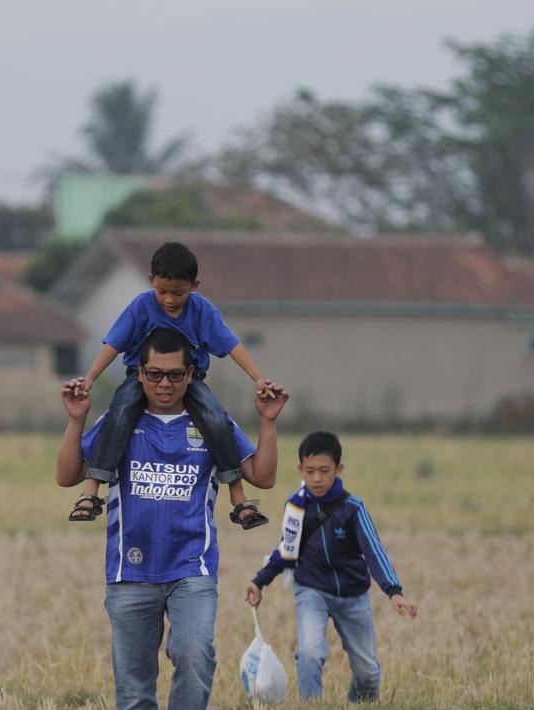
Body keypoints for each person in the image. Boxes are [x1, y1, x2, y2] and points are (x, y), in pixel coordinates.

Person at [56, 328, 289, 710]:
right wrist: (76, 420)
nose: (164, 384)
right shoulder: (119, 421)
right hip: (129, 573)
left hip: (192, 569)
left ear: (191, 374)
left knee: (196, 657)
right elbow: (68, 476)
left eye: (175, 374)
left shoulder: (214, 423)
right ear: (140, 373)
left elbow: (261, 477)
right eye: (155, 374)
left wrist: (267, 422)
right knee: (134, 690)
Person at [66, 241, 273, 530]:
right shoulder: (141, 306)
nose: (170, 300)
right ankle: (91, 490)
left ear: (194, 286)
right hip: (139, 378)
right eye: (162, 291)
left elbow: (231, 345)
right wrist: (89, 379)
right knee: (119, 413)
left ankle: (238, 497)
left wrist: (258, 378)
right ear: (151, 280)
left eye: (178, 293)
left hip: (190, 381)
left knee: (216, 420)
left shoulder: (203, 311)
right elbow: (114, 344)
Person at [245, 431, 417, 703]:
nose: (316, 478)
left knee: (368, 672)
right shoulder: (296, 506)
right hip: (311, 590)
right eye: (309, 471)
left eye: (324, 471)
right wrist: (259, 581)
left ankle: (360, 704)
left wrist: (393, 591)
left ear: (338, 469)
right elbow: (287, 551)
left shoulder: (353, 508)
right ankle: (311, 705)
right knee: (309, 653)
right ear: (300, 469)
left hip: (353, 595)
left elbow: (374, 551)